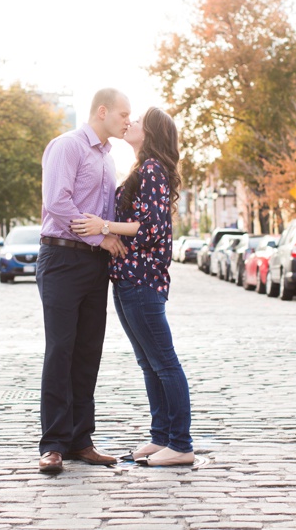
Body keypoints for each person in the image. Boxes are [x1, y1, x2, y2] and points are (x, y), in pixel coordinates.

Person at [71, 106, 194, 467]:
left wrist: (103, 225)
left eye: (138, 120)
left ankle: (181, 444)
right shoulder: (144, 169)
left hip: (142, 279)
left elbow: (151, 228)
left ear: (152, 133)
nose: (131, 122)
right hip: (127, 277)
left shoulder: (153, 169)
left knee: (164, 362)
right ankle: (162, 438)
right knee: (149, 362)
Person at [35, 87, 131, 474]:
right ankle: (53, 444)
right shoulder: (67, 146)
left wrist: (108, 239)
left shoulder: (108, 159)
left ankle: (80, 441)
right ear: (102, 111)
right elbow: (58, 204)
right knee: (61, 349)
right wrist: (101, 237)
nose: (128, 120)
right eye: (124, 114)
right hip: (61, 258)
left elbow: (103, 212)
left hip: (95, 265)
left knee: (88, 351)